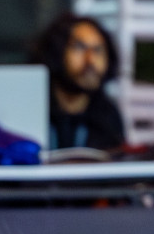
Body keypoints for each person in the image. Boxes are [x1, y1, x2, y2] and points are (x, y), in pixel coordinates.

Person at [31, 13, 125, 152]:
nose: (91, 60)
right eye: (79, 47)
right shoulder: (32, 110)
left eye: (98, 50)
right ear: (56, 51)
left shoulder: (108, 117)